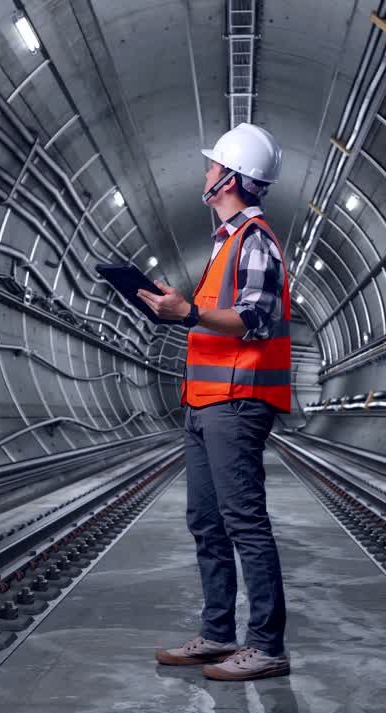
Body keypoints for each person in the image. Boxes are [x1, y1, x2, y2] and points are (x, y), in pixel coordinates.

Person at [136, 123, 292, 681]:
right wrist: (176, 311)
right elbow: (211, 323)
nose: (204, 173)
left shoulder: (253, 239)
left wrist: (190, 314)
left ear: (229, 179)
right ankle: (219, 633)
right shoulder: (225, 243)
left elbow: (255, 318)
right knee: (206, 520)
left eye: (212, 166)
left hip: (238, 400)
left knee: (244, 521)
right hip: (205, 402)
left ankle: (267, 645)